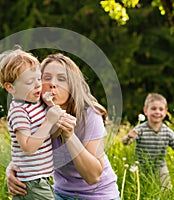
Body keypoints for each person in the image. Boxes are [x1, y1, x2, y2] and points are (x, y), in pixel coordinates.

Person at [6, 53, 120, 200]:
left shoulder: (89, 115)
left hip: (98, 195)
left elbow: (93, 177)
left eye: (61, 79)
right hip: (61, 194)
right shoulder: (36, 114)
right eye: (46, 78)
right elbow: (29, 149)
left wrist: (69, 136)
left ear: (72, 86)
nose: (52, 83)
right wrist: (11, 170)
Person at [0, 47, 64, 199]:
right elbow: (27, 147)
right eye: (30, 82)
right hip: (32, 182)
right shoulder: (19, 111)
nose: (38, 85)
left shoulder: (34, 103)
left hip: (41, 179)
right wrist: (49, 121)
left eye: (39, 79)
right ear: (10, 87)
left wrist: (49, 103)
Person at [122, 93, 174, 189]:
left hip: (160, 166)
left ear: (165, 112)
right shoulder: (140, 129)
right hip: (141, 166)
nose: (157, 112)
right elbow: (125, 142)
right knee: (142, 189)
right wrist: (128, 137)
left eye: (161, 109)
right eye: (153, 109)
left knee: (166, 189)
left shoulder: (167, 132)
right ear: (145, 111)